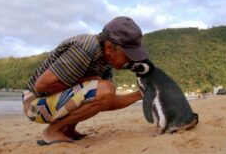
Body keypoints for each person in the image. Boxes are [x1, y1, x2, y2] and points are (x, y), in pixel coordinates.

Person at [22, 16, 149, 145]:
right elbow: (41, 86)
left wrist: (140, 94)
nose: (130, 60)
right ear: (110, 48)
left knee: (106, 88)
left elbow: (105, 100)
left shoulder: (105, 60)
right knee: (105, 87)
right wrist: (88, 80)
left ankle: (68, 129)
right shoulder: (85, 48)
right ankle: (52, 131)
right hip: (34, 104)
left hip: (51, 101)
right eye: (128, 55)